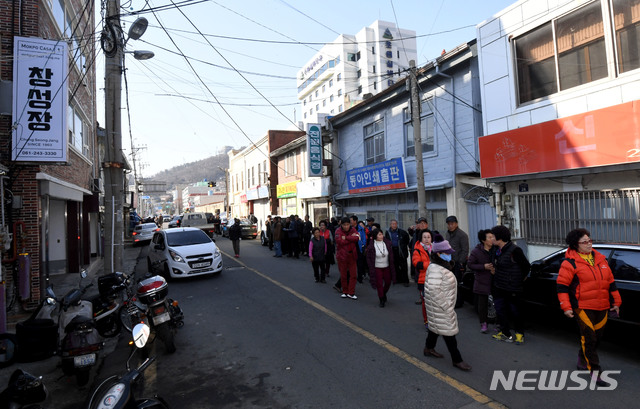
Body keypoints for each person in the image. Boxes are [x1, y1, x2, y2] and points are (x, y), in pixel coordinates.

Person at [557, 228, 621, 386]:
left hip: (603, 306)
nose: (589, 244)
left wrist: (617, 302)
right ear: (575, 245)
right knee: (590, 338)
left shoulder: (601, 259)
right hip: (583, 307)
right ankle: (596, 372)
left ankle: (582, 358)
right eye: (584, 242)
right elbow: (562, 287)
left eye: (590, 240)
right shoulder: (569, 262)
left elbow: (611, 283)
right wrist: (566, 306)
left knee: (596, 338)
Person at [422, 238, 472, 371]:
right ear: (438, 254)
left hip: (438, 306)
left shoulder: (441, 266)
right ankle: (457, 359)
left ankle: (428, 348)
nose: (450, 254)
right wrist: (446, 306)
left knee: (435, 328)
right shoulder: (436, 269)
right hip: (441, 307)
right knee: (449, 333)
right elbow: (433, 289)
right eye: (447, 252)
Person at [490, 225, 530, 344]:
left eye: (493, 237)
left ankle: (519, 334)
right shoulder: (497, 250)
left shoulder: (515, 250)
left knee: (515, 312)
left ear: (500, 238)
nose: (491, 239)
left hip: (513, 288)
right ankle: (505, 333)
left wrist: (516, 280)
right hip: (499, 286)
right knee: (500, 310)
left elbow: (526, 267)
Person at [467, 229, 496, 333]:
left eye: (493, 237)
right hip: (482, 281)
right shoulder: (476, 251)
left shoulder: (496, 250)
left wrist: (494, 269)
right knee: (482, 304)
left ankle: (497, 323)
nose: (492, 239)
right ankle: (483, 324)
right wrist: (483, 266)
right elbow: (470, 264)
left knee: (496, 303)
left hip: (495, 281)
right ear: (483, 240)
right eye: (489, 237)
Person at [366, 229, 396, 307]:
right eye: (379, 234)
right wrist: (370, 266)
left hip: (386, 266)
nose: (381, 236)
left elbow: (390, 254)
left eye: (382, 234)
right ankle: (381, 299)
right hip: (377, 267)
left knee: (388, 282)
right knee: (379, 284)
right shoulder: (372, 245)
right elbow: (368, 257)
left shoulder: (387, 243)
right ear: (375, 236)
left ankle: (383, 293)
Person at [335, 217, 360, 300]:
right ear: (341, 225)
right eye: (344, 225)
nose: (346, 226)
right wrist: (351, 238)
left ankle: (351, 292)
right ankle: (345, 291)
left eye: (348, 224)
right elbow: (340, 242)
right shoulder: (338, 231)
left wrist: (346, 237)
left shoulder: (353, 230)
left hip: (352, 256)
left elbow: (357, 238)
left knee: (353, 275)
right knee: (343, 275)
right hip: (342, 257)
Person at [413, 230, 433, 329]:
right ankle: (427, 321)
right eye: (424, 237)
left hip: (435, 280)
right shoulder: (417, 250)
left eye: (428, 237)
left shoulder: (435, 249)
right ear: (421, 238)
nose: (426, 239)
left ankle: (435, 321)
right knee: (426, 302)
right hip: (423, 280)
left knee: (435, 302)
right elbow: (417, 264)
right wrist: (429, 264)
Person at [385, 220, 411, 286]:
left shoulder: (402, 232)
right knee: (395, 265)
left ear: (397, 224)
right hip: (392, 250)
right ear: (390, 225)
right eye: (392, 224)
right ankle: (398, 279)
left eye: (395, 224)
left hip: (401, 251)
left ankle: (405, 281)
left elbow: (407, 240)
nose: (394, 225)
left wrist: (404, 246)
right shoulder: (388, 232)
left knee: (404, 266)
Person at [445, 216, 469, 283]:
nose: (450, 226)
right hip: (449, 262)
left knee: (458, 282)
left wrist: (461, 262)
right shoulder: (447, 234)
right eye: (448, 224)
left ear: (456, 224)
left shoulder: (462, 235)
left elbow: (465, 250)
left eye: (452, 224)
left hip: (458, 263)